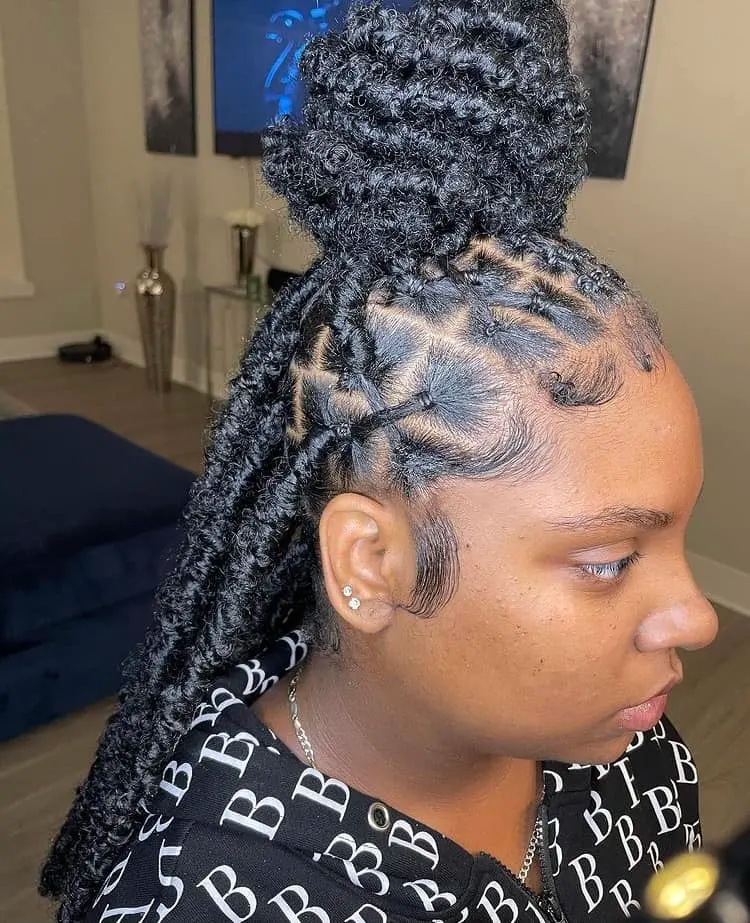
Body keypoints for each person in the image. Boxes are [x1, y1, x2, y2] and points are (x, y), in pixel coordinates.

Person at [41, 1, 718, 920]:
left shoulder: (631, 752)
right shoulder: (204, 895)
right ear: (369, 563)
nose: (696, 618)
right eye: (608, 560)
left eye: (680, 534)